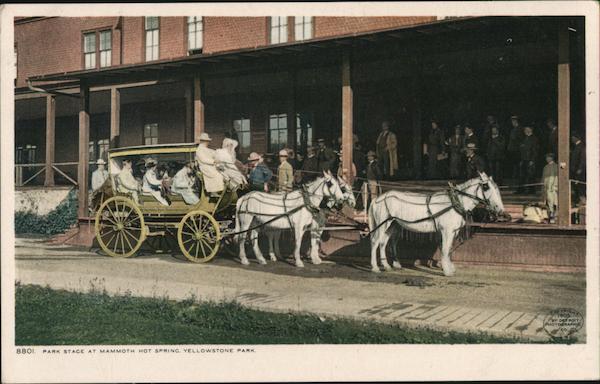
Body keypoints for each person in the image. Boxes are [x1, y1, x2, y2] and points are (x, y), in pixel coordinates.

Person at [518, 126, 540, 194]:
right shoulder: (523, 138)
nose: (525, 131)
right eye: (525, 129)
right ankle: (521, 190)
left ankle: (531, 190)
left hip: (530, 160)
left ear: (531, 130)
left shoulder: (534, 139)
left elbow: (535, 150)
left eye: (527, 129)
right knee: (522, 175)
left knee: (531, 176)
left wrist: (532, 160)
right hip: (524, 159)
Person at [570, 132, 586, 206]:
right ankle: (577, 200)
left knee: (579, 185)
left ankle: (582, 200)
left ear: (576, 138)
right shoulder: (576, 147)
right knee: (576, 185)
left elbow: (582, 159)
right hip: (574, 170)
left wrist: (580, 168)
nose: (571, 139)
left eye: (573, 138)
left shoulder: (581, 146)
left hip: (578, 171)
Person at [542, 153, 558, 223]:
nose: (547, 159)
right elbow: (543, 177)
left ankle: (553, 216)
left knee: (552, 202)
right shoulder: (545, 167)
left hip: (552, 187)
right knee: (547, 202)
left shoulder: (555, 166)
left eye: (548, 157)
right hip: (546, 187)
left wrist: (553, 186)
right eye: (546, 157)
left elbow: (555, 177)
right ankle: (548, 216)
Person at [507, 115, 524, 182]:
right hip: (513, 150)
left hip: (517, 151)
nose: (512, 122)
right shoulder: (513, 129)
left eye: (513, 121)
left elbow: (520, 140)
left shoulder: (519, 129)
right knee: (514, 167)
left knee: (517, 167)